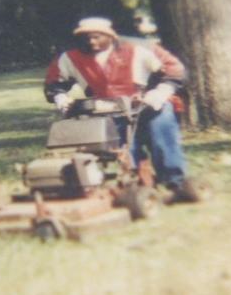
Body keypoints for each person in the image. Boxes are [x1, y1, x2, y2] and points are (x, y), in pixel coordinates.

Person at [44, 17, 200, 203]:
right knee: (121, 148)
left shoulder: (139, 48)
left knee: (161, 135)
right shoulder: (70, 57)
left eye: (96, 37)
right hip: (108, 108)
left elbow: (174, 68)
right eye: (86, 38)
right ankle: (135, 182)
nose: (91, 42)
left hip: (149, 103)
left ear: (110, 36)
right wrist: (60, 97)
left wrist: (160, 92)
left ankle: (174, 182)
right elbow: (54, 81)